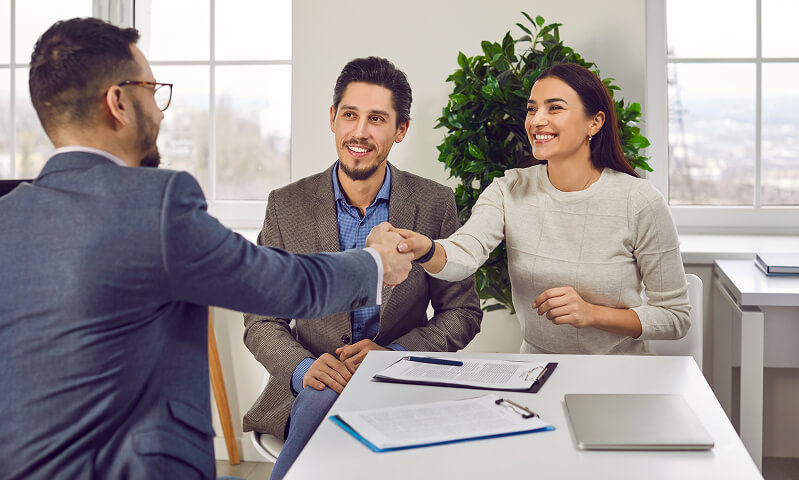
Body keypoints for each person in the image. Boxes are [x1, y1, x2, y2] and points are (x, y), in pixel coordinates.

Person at [0, 18, 414, 480]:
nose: (159, 112)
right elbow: (280, 284)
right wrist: (376, 263)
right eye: (152, 92)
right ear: (118, 103)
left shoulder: (8, 215)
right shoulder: (155, 204)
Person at [243, 56, 483, 479]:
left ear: (400, 130)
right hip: (309, 382)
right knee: (321, 395)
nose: (360, 131)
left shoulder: (434, 203)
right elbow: (262, 317)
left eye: (377, 119)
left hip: (400, 381)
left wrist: (393, 356)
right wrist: (304, 368)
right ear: (333, 119)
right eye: (350, 115)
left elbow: (462, 313)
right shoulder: (286, 204)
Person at [396, 63, 690, 355]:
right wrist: (425, 248)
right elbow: (465, 252)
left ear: (595, 122)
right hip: (535, 374)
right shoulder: (508, 188)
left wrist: (593, 314)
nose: (537, 120)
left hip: (617, 377)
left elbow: (676, 317)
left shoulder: (639, 201)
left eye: (555, 108)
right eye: (532, 109)